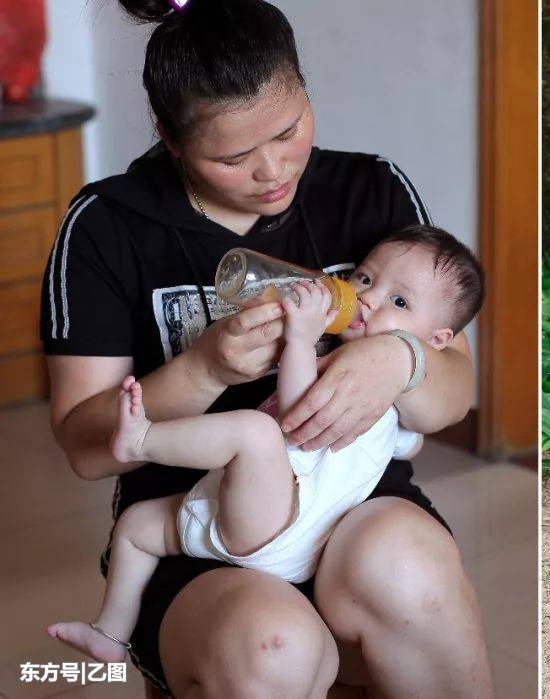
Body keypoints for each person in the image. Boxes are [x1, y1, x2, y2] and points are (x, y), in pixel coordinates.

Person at [39, 0, 492, 696]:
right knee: (272, 648)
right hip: (207, 526)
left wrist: (402, 360)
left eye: (290, 130)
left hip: (352, 502)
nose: (274, 170)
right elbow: (84, 444)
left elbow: (452, 391)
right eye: (233, 156)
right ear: (170, 137)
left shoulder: (368, 189)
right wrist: (205, 367)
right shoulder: (107, 226)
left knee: (411, 574)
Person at [46, 225, 484, 668]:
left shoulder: (364, 384)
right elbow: (407, 444)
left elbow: (297, 410)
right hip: (242, 509)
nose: (368, 299)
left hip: (285, 528)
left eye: (400, 302)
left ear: (436, 342)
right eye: (366, 279)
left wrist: (298, 339)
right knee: (137, 528)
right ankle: (110, 633)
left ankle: (141, 439)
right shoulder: (374, 393)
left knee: (255, 433)